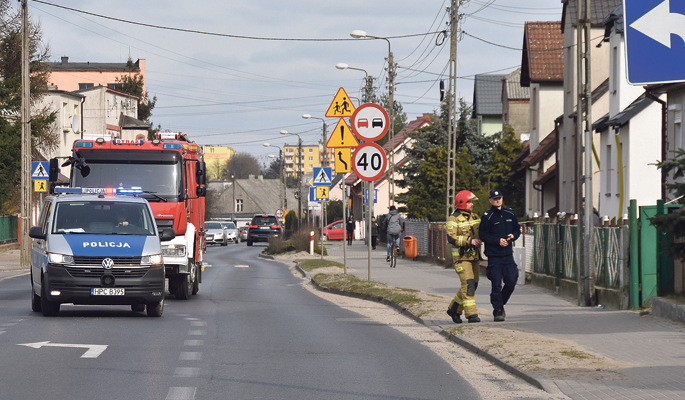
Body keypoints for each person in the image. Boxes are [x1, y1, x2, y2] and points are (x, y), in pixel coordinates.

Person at [479, 190, 520, 322]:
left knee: (511, 281)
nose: (498, 200)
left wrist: (513, 236)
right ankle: (498, 310)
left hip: (508, 255)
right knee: (496, 284)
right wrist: (497, 241)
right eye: (495, 199)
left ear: (502, 199)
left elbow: (517, 229)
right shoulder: (487, 216)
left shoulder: (510, 213)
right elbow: (483, 235)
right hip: (494, 256)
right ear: (490, 200)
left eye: (499, 198)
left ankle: (500, 303)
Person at [446, 190, 482, 323]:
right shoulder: (453, 218)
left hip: (474, 257)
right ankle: (471, 315)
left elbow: (481, 231)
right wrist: (469, 241)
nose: (472, 204)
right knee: (468, 285)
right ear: (462, 203)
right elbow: (451, 237)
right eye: (469, 202)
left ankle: (453, 309)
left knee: (474, 284)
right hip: (461, 258)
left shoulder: (474, 216)